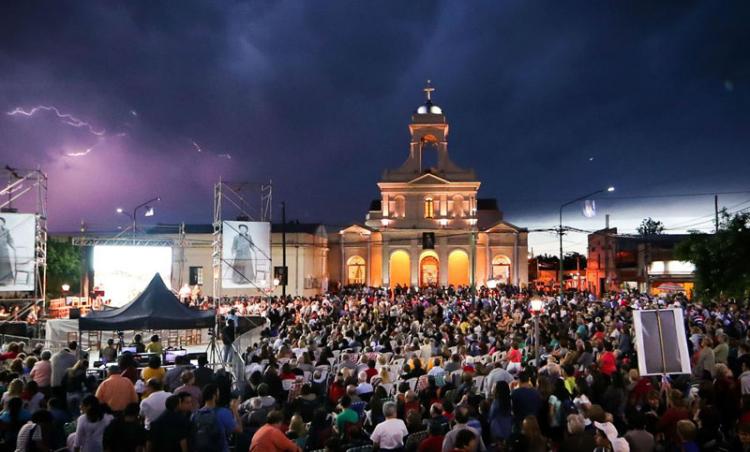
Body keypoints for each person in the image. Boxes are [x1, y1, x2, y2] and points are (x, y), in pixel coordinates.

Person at [190, 383, 241, 452]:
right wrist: (235, 411)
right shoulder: (223, 413)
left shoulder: (195, 414)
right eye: (218, 393)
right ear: (214, 396)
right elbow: (239, 430)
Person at [0, 216, 16, 285]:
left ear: (3, 223)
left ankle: (5, 281)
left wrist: (14, 247)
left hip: (3, 251)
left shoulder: (6, 230)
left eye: (1, 222)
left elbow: (10, 240)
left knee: (5, 266)